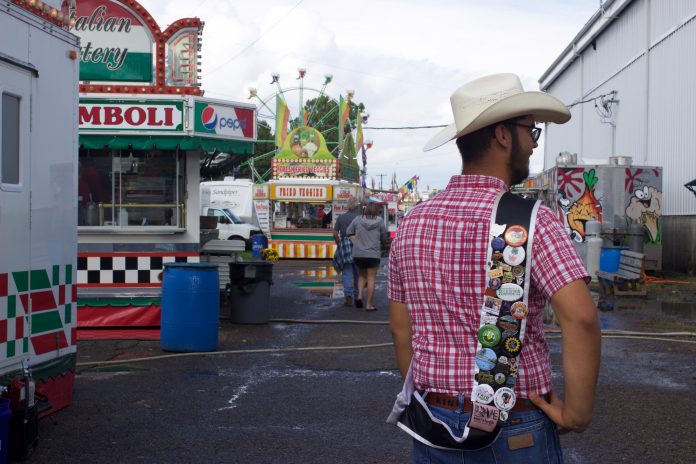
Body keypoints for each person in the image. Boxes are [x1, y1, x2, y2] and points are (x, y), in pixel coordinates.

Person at [388, 73, 601, 463]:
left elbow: (402, 328)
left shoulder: (411, 223)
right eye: (531, 132)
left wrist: (429, 395)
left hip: (432, 421)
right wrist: (577, 414)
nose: (534, 145)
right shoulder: (532, 220)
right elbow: (582, 318)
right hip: (514, 424)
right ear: (504, 135)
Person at [347, 202, 387, 311]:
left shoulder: (357, 219)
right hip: (373, 254)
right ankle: (369, 304)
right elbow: (384, 236)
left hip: (359, 253)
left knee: (362, 276)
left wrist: (357, 242)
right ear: (376, 211)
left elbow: (348, 232)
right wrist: (382, 242)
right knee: (371, 279)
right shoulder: (379, 221)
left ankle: (359, 296)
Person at [333, 197, 360, 306]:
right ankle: (358, 296)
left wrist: (340, 244)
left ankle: (348, 296)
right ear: (357, 207)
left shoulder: (341, 217)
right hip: (358, 245)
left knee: (347, 272)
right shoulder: (359, 218)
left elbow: (335, 233)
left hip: (345, 244)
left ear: (347, 206)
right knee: (357, 273)